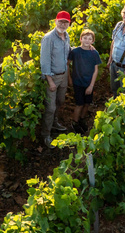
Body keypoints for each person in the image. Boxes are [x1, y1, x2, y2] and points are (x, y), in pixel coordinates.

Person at [39, 10, 72, 146]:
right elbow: (44, 61)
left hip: (63, 76)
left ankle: (54, 123)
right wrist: (50, 81)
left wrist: (86, 47)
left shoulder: (66, 36)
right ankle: (46, 134)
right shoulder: (48, 38)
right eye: (61, 21)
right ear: (55, 21)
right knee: (50, 108)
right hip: (52, 77)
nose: (63, 24)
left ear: (69, 24)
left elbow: (68, 52)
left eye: (66, 22)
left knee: (60, 101)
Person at [68, 29, 100, 133]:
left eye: (90, 39)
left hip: (89, 83)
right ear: (81, 39)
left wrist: (91, 85)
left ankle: (82, 119)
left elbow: (96, 70)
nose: (87, 40)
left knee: (87, 103)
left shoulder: (94, 53)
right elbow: (67, 64)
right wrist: (69, 78)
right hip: (78, 83)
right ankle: (75, 122)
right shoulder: (75, 52)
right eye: (85, 38)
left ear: (92, 41)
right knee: (79, 104)